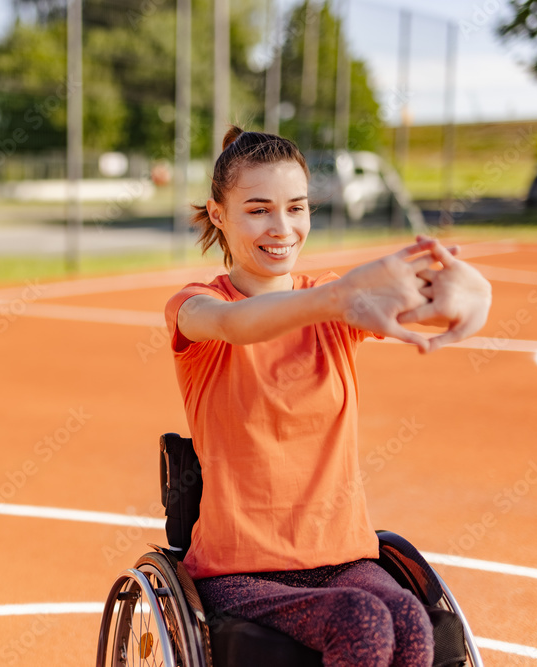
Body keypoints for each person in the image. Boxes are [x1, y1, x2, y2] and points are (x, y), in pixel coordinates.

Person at [164, 128, 491, 667]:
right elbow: (235, 324)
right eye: (259, 210)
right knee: (361, 621)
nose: (283, 227)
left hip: (342, 556)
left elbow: (444, 300)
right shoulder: (196, 306)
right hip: (241, 568)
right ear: (218, 214)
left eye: (296, 207)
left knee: (410, 619)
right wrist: (338, 297)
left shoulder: (339, 306)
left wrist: (473, 293)